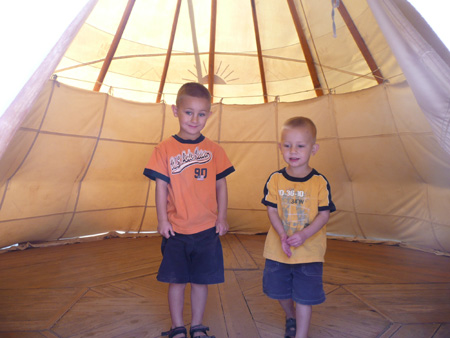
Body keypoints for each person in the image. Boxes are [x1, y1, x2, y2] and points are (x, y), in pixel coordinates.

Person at [143, 82, 235, 338]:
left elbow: (221, 185)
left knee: (201, 281)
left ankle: (197, 326)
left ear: (209, 114)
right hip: (176, 230)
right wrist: (162, 220)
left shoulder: (215, 150)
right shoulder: (163, 150)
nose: (195, 119)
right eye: (188, 112)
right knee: (177, 281)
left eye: (202, 113)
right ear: (175, 110)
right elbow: (161, 187)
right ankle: (177, 328)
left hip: (207, 229)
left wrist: (222, 216)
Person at [261, 116, 336, 338]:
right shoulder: (275, 179)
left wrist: (304, 235)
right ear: (280, 147)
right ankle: (290, 315)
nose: (293, 151)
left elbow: (324, 215)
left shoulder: (320, 182)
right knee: (278, 291)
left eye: (301, 146)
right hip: (278, 250)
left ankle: (300, 334)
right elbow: (272, 210)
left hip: (309, 253)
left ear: (314, 148)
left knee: (304, 296)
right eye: (287, 145)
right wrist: (283, 234)